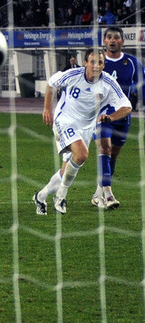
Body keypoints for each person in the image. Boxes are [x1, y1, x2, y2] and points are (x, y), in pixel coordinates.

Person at [33, 48, 131, 216]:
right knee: (82, 154)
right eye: (92, 61)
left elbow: (127, 106)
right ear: (85, 62)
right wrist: (47, 109)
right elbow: (51, 83)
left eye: (100, 62)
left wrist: (111, 117)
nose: (96, 66)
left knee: (66, 170)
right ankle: (61, 196)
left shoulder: (108, 82)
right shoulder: (73, 75)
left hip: (86, 127)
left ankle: (40, 197)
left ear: (103, 65)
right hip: (64, 120)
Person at [91, 26, 144, 210]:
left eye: (116, 37)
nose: (113, 40)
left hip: (122, 116)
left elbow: (142, 87)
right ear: (104, 41)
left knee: (112, 156)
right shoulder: (97, 61)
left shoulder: (132, 62)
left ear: (122, 41)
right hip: (100, 116)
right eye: (109, 37)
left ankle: (98, 193)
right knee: (104, 149)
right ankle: (108, 195)